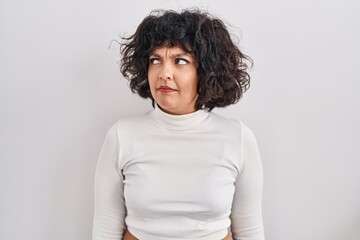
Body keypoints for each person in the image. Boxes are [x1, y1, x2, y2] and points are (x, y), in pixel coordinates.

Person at [92, 9, 264, 240]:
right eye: (155, 60)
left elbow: (250, 230)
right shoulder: (122, 136)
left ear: (205, 71)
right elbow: (106, 228)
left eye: (180, 61)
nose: (164, 73)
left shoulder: (238, 138)